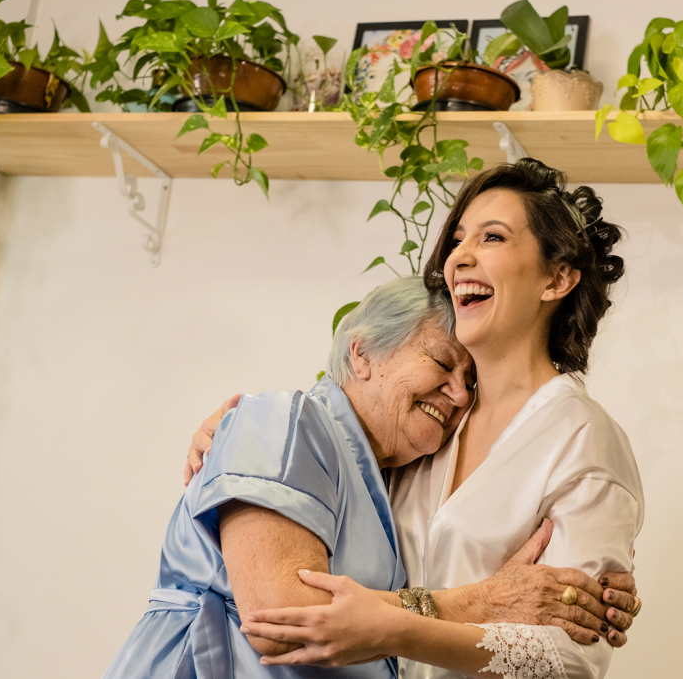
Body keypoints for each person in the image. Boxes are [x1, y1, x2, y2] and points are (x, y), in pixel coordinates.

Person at [185, 159, 644, 679]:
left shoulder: (582, 438)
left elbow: (576, 658)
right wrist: (236, 435)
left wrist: (400, 624)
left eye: (492, 237)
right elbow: (321, 460)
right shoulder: (426, 433)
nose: (460, 257)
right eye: (457, 240)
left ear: (556, 278)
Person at [106, 275, 618, 679]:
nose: (459, 395)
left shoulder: (389, 480)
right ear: (362, 352)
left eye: (469, 383)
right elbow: (281, 621)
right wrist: (484, 601)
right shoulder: (284, 421)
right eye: (441, 362)